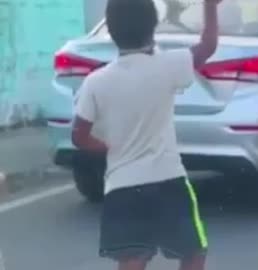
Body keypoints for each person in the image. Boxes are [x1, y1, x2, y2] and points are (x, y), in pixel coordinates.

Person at [71, 0, 221, 269]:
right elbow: (207, 46)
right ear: (153, 27)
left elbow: (79, 136)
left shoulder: (96, 82)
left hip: (122, 184)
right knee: (194, 251)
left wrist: (110, 147)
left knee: (132, 258)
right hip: (169, 178)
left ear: (112, 32)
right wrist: (210, 6)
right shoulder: (168, 64)